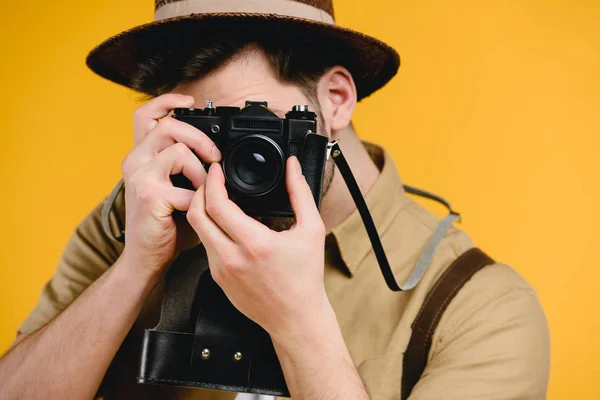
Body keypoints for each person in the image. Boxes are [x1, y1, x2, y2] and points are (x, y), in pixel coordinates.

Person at [0, 0, 550, 399]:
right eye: (205, 128)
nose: (229, 159)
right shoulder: (132, 225)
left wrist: (298, 321)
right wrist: (136, 267)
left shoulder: (479, 309)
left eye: (253, 127)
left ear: (334, 100)